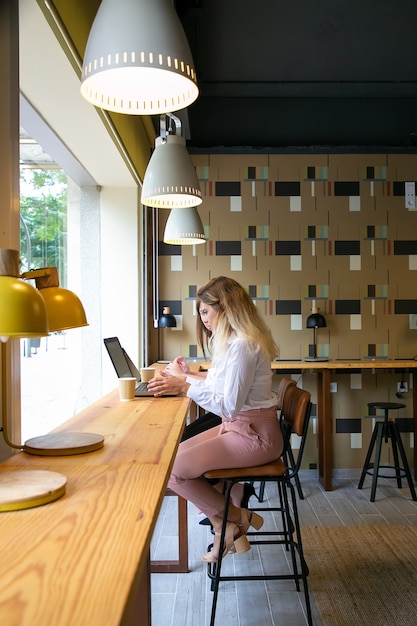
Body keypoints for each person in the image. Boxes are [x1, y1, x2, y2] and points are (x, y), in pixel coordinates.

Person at [147, 276, 283, 562]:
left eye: (205, 312)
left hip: (254, 436)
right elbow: (219, 381)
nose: (203, 319)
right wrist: (185, 376)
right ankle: (230, 521)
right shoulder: (233, 342)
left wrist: (183, 385)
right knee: (174, 458)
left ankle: (230, 522)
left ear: (226, 307)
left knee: (172, 469)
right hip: (240, 428)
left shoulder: (244, 345)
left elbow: (227, 404)